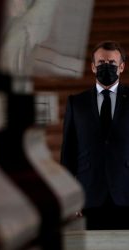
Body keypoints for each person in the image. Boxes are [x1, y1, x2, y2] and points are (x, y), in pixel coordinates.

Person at [61, 40, 129, 230]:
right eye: (101, 63)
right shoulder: (76, 103)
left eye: (112, 64)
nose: (106, 67)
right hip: (88, 197)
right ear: (92, 66)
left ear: (121, 67)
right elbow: (68, 154)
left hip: (126, 195)